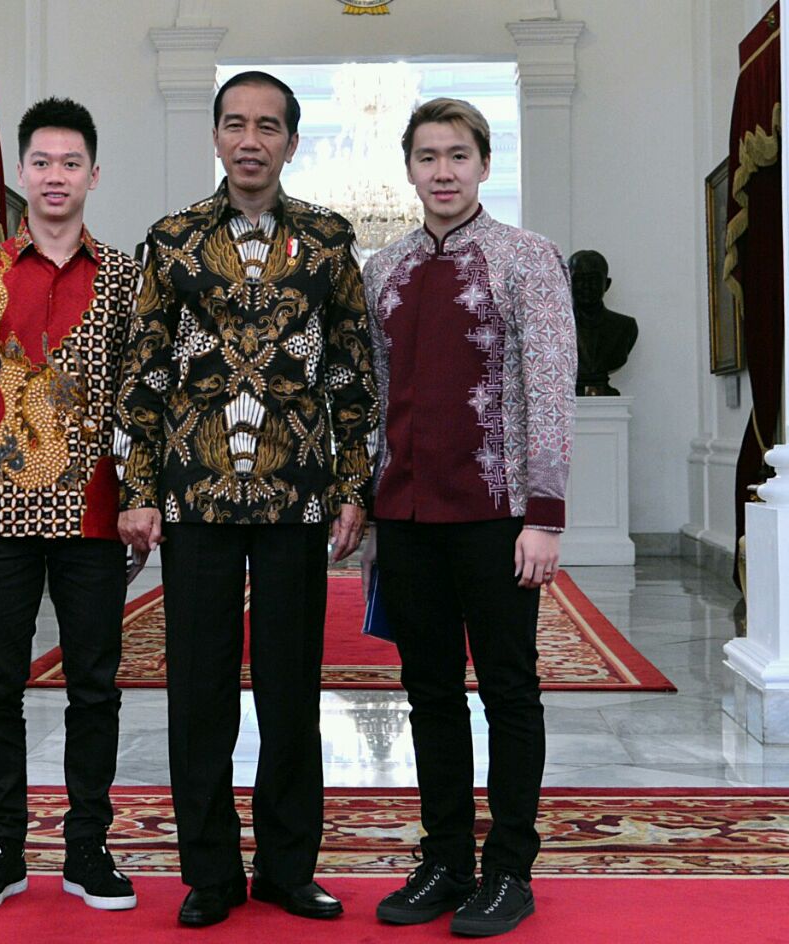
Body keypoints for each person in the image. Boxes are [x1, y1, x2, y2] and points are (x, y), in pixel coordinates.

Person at [116, 71, 377, 928]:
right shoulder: (175, 239)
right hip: (195, 499)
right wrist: (140, 490)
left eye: (269, 126)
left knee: (291, 687)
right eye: (236, 124)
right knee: (198, 690)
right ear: (217, 138)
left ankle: (288, 869)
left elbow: (350, 373)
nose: (251, 140)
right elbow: (145, 374)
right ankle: (211, 873)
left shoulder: (330, 241)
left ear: (292, 142)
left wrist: (350, 489)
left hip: (297, 497)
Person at [360, 98, 576, 937]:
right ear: (408, 168)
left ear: (484, 164)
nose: (442, 171)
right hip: (407, 514)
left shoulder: (528, 259)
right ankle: (446, 858)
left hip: (497, 514)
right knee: (428, 692)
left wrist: (544, 516)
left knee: (510, 691)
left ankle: (509, 869)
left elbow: (551, 390)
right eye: (427, 157)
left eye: (458, 155)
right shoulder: (384, 269)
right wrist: (375, 513)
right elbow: (378, 398)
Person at [0, 97, 140, 914]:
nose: (56, 177)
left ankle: (88, 848)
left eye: (71, 163)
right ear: (21, 173)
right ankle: (1, 848)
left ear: (93, 174)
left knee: (96, 687)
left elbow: (143, 404)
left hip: (95, 518)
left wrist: (141, 499)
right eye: (42, 163)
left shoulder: (125, 279)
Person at [569, 249, 638, 396]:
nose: (586, 286)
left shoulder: (625, 327)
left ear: (606, 284)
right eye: (579, 279)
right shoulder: (553, 328)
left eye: (593, 279)